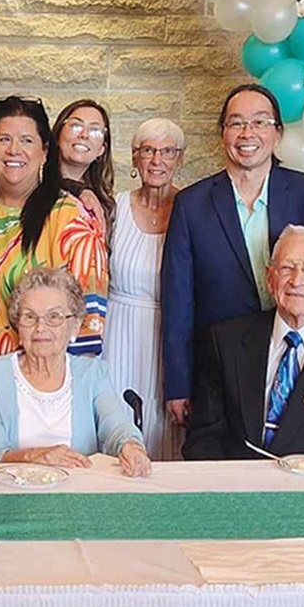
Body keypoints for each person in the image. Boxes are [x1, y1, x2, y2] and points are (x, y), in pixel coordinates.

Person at [162, 84, 304, 434]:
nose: (248, 133)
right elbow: (178, 300)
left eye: (260, 122)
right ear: (223, 133)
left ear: (277, 133)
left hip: (297, 360)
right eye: (236, 123)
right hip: (219, 369)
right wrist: (179, 384)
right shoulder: (192, 204)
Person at [0, 96, 108, 428]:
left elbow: (88, 324)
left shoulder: (68, 216)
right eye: (3, 139)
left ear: (45, 152)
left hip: (31, 402)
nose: (13, 150)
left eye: (26, 140)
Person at [184, 225, 304, 460]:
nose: (297, 281)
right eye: (287, 268)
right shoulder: (225, 341)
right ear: (270, 278)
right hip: (236, 487)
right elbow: (204, 438)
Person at [0, 267, 149, 476]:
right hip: (15, 494)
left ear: (74, 326)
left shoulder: (92, 374)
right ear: (18, 326)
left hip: (79, 496)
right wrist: (36, 457)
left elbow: (116, 425)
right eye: (30, 317)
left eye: (54, 317)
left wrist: (131, 446)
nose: (40, 327)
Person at [103, 118, 185, 460]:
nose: (157, 160)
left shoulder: (192, 207)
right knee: (116, 418)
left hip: (171, 335)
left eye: (167, 151)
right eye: (148, 150)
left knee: (167, 428)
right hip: (117, 331)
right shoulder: (113, 208)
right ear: (135, 158)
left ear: (179, 159)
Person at [53, 99, 115, 237]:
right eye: (76, 126)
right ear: (58, 135)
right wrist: (78, 189)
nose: (84, 135)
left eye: (95, 131)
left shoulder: (104, 203)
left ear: (102, 150)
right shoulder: (32, 183)